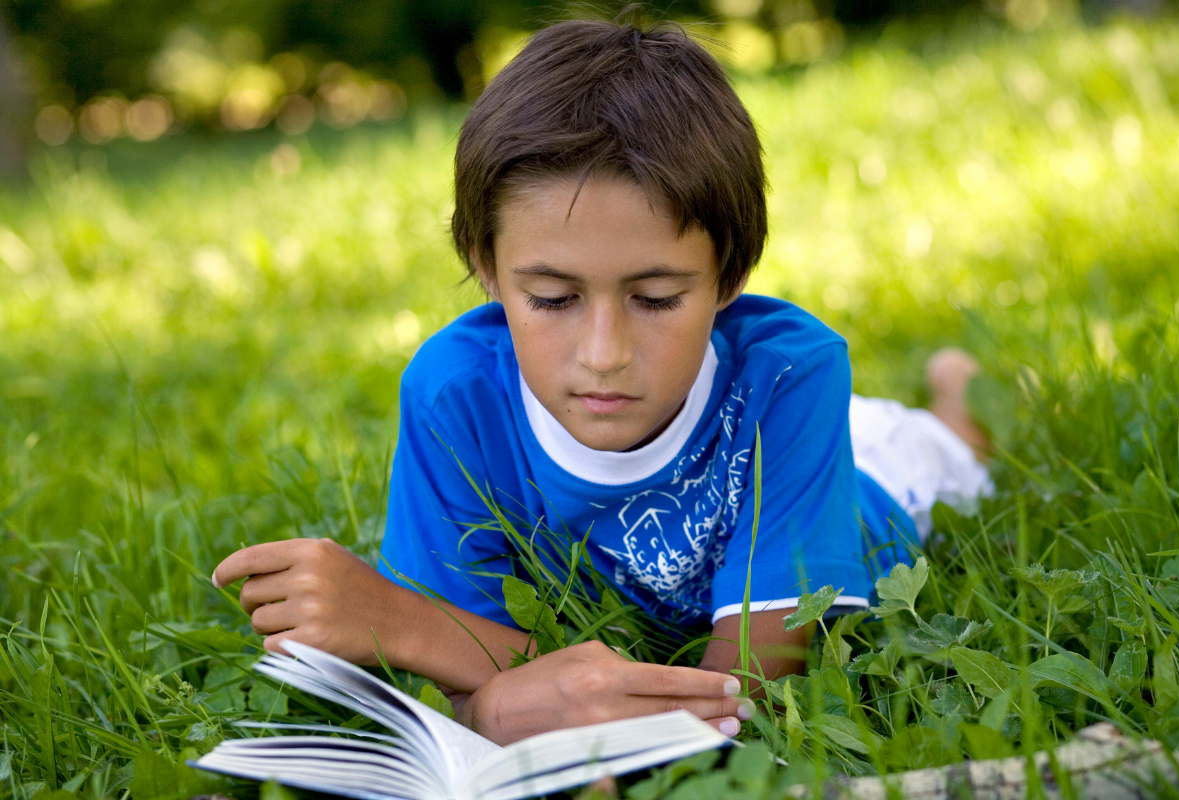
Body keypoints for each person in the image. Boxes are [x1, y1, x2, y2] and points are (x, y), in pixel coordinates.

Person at [212, 17, 991, 746]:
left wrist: (409, 628)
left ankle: (956, 390)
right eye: (552, 298)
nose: (604, 353)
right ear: (485, 267)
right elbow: (467, 662)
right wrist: (468, 678)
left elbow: (746, 689)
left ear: (730, 276)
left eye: (655, 299)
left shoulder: (792, 373)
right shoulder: (454, 396)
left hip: (879, 479)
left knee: (956, 446)